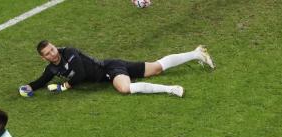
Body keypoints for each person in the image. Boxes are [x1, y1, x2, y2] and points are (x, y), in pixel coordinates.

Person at [19, 40, 215, 98]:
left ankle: (170, 89)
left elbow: (81, 73)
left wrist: (66, 86)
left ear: (55, 46)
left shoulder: (69, 52)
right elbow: (41, 81)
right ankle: (197, 53)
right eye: (48, 53)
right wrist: (27, 87)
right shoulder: (51, 70)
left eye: (52, 49)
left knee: (124, 88)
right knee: (156, 67)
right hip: (112, 66)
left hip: (109, 69)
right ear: (43, 57)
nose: (52, 54)